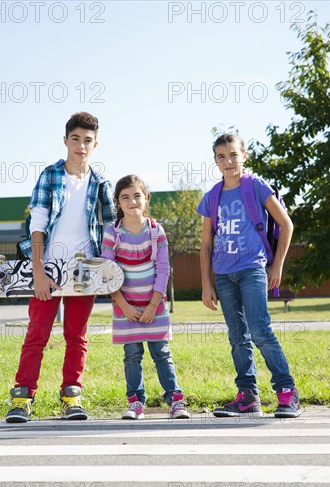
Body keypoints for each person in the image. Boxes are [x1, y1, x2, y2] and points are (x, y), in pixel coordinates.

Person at [5, 112, 116, 423]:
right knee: (36, 334)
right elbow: (37, 225)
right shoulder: (50, 175)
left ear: (96, 145)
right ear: (66, 140)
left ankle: (71, 396)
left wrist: (106, 271)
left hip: (84, 270)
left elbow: (108, 230)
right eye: (76, 139)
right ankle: (23, 396)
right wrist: (38, 270)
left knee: (76, 336)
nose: (81, 146)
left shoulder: (100, 183)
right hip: (49, 267)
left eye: (88, 141)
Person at [196, 133, 301, 418]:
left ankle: (287, 392)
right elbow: (205, 243)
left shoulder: (255, 186)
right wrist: (206, 284)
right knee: (237, 337)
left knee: (260, 330)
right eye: (221, 156)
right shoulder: (212, 196)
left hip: (252, 268)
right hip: (223, 274)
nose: (228, 161)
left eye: (233, 155)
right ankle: (247, 397)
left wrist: (276, 265)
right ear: (215, 161)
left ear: (244, 156)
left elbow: (286, 225)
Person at [100, 174, 190, 420]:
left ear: (146, 198)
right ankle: (136, 402)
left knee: (162, 353)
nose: (132, 201)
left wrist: (153, 306)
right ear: (118, 203)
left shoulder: (155, 231)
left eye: (137, 195)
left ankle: (175, 400)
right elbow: (107, 274)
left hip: (154, 306)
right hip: (125, 307)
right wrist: (124, 306)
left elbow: (163, 270)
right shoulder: (112, 233)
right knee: (132, 355)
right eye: (125, 197)